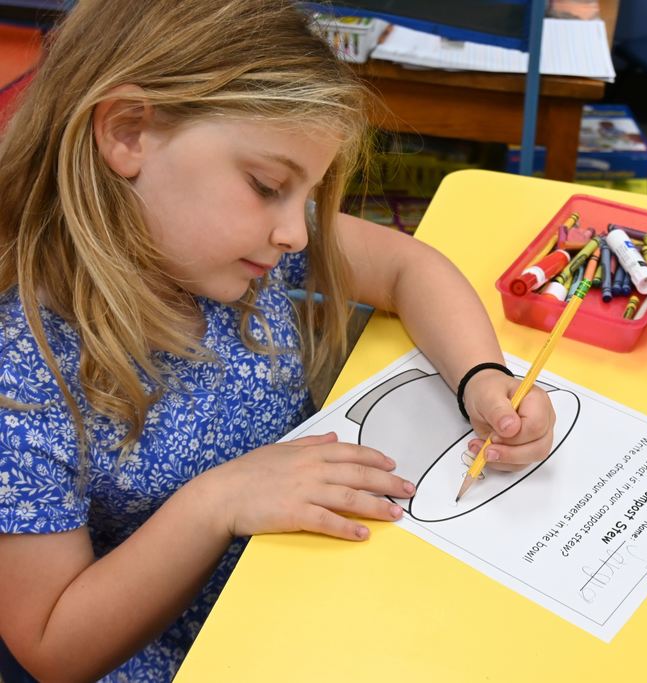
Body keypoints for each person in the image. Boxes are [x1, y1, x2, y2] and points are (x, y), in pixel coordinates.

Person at [0, 1, 556, 681]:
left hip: (320, 581)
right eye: (268, 187)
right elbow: (54, 645)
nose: (296, 232)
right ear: (127, 131)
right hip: (197, 651)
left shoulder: (221, 245)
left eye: (308, 194)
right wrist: (215, 505)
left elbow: (409, 267)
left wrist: (481, 379)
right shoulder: (21, 376)